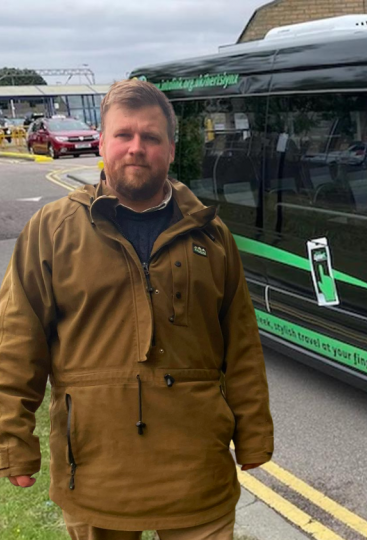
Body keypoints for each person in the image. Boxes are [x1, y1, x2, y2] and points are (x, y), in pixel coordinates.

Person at [0, 79, 274, 539]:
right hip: (95, 475)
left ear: (170, 149)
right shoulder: (53, 230)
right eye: (123, 135)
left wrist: (254, 433)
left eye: (150, 137)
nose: (136, 148)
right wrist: (11, 441)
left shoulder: (210, 233)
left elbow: (241, 344)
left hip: (197, 476)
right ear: (102, 143)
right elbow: (16, 340)